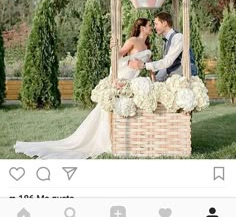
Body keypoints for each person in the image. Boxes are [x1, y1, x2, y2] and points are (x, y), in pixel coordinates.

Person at [14, 18, 153, 159]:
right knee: (107, 108)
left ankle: (119, 138)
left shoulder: (147, 46)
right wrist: (114, 48)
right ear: (142, 28)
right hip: (123, 76)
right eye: (149, 25)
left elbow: (150, 67)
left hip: (133, 80)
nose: (151, 27)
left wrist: (154, 81)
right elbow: (118, 56)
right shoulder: (133, 40)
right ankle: (104, 139)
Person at [129, 12, 184, 81]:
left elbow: (167, 62)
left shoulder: (177, 37)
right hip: (175, 79)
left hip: (184, 80)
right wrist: (155, 81)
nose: (154, 27)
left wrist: (144, 65)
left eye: (156, 24)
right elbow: (166, 66)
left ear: (164, 23)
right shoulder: (167, 40)